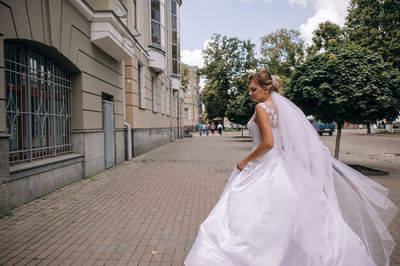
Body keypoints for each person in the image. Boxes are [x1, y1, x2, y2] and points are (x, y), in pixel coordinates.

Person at [184, 69, 397, 266]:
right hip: (282, 165)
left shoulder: (261, 108)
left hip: (265, 166)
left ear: (266, 89)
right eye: (250, 89)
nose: (250, 93)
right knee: (286, 215)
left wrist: (245, 161)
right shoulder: (279, 107)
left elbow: (268, 143)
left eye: (254, 89)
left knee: (252, 216)